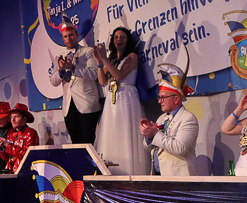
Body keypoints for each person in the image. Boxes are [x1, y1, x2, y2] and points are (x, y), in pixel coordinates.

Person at [94, 27, 151, 175]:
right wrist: (100, 63)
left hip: (126, 98)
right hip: (112, 99)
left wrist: (105, 59)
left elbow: (118, 76)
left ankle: (129, 171)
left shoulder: (132, 57)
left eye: (122, 37)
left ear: (128, 41)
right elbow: (103, 81)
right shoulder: (112, 59)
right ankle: (113, 171)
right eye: (116, 37)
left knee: (125, 132)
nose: (119, 39)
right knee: (112, 133)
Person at [140, 57, 199, 176]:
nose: (159, 101)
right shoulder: (162, 118)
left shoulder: (188, 119)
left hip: (178, 178)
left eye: (163, 97)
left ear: (176, 99)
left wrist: (155, 134)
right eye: (159, 97)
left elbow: (180, 148)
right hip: (159, 177)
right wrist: (148, 136)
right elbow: (149, 148)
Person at [48, 14, 102, 144]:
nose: (68, 38)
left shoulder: (88, 51)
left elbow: (94, 74)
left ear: (76, 35)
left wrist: (73, 67)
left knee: (88, 142)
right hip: (69, 107)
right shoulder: (60, 57)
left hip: (86, 103)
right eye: (65, 36)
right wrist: (61, 71)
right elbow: (53, 81)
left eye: (71, 35)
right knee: (76, 143)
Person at [2, 104, 39, 174]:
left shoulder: (30, 132)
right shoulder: (11, 133)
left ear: (24, 119)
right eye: (11, 117)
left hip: (24, 172)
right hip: (11, 172)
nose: (12, 120)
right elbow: (6, 158)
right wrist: (3, 147)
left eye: (16, 117)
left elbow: (27, 155)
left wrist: (8, 146)